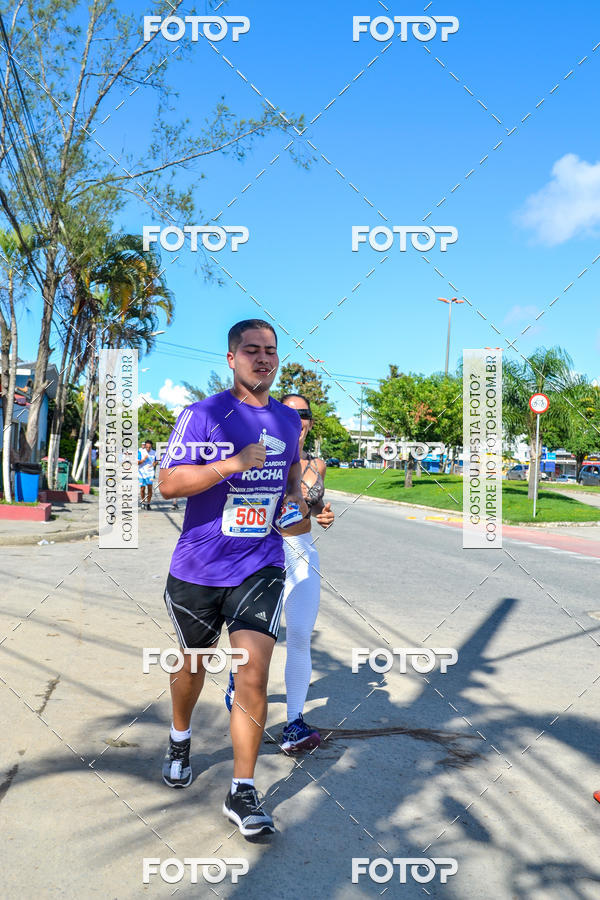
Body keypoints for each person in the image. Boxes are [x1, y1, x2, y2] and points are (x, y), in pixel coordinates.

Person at [158, 319, 307, 838]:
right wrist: (233, 462)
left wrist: (299, 509)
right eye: (251, 350)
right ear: (231, 358)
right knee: (192, 669)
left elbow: (291, 490)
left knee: (252, 674)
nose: (262, 359)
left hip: (259, 565)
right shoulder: (202, 414)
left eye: (270, 350)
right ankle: (180, 736)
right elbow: (169, 482)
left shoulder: (289, 423)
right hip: (197, 568)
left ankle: (243, 789)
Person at [225, 395, 334, 752]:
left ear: (310, 422)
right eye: (290, 412)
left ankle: (294, 725)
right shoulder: (261, 454)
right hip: (261, 554)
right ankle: (236, 680)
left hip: (302, 551)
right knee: (257, 642)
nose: (298, 418)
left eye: (304, 414)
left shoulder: (316, 464)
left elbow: (312, 503)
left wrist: (322, 513)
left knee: (300, 636)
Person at [138, 439, 156, 509]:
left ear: (151, 447)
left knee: (150, 488)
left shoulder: (154, 452)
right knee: (142, 489)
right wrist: (144, 459)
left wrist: (154, 464)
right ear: (145, 446)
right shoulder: (140, 452)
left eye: (149, 447)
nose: (148, 449)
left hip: (150, 473)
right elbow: (137, 462)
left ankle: (148, 503)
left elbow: (156, 461)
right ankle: (143, 502)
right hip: (141, 472)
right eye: (147, 447)